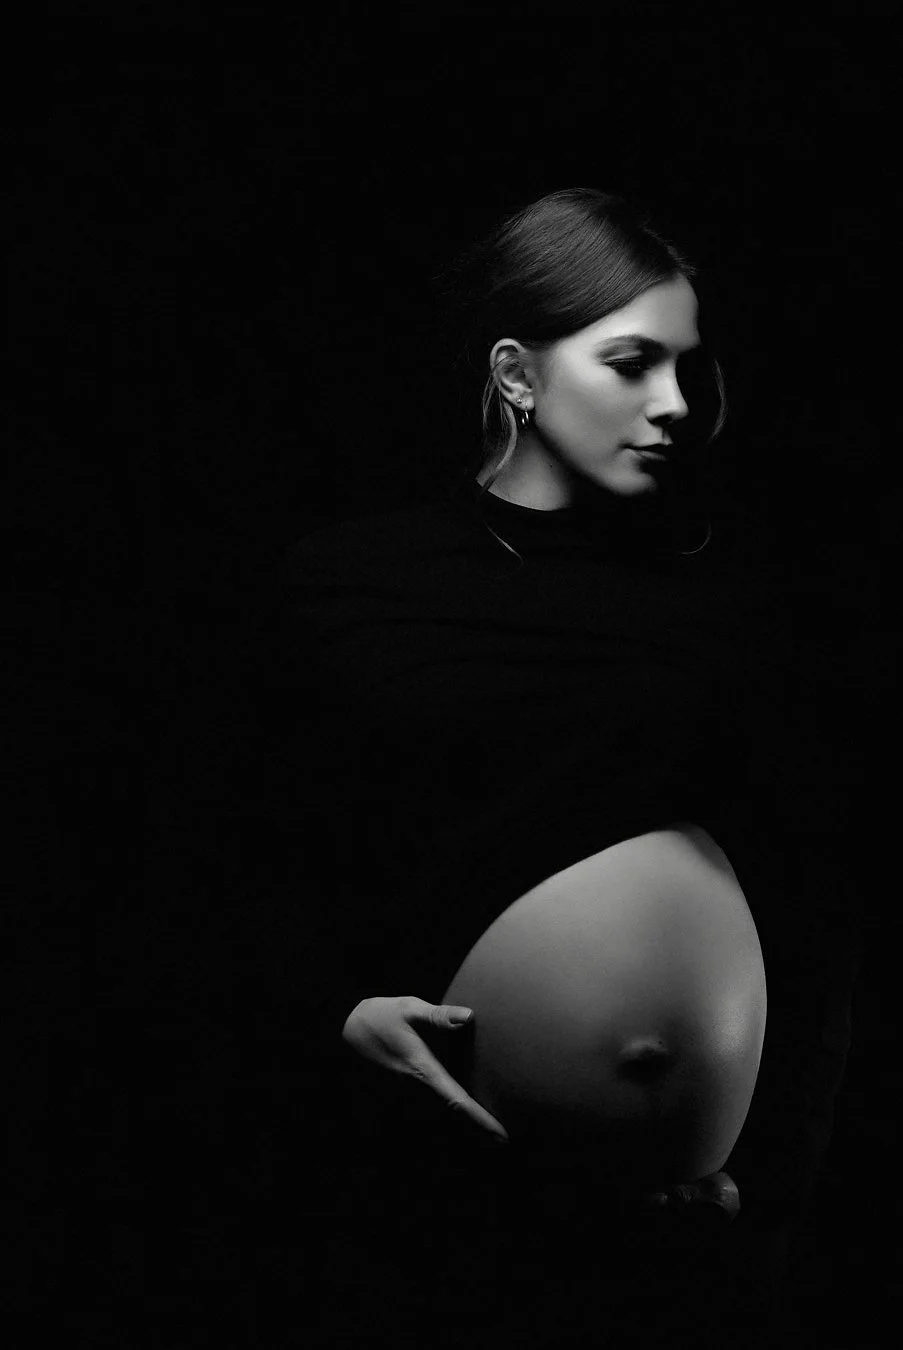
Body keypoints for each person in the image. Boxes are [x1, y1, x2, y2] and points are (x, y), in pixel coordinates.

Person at [263, 188, 863, 1346]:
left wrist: (767, 1174)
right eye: (633, 362)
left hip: (681, 1234)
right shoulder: (355, 583)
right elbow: (252, 857)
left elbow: (817, 910)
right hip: (417, 1189)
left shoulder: (719, 605)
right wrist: (327, 1019)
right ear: (517, 374)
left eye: (688, 366)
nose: (676, 403)